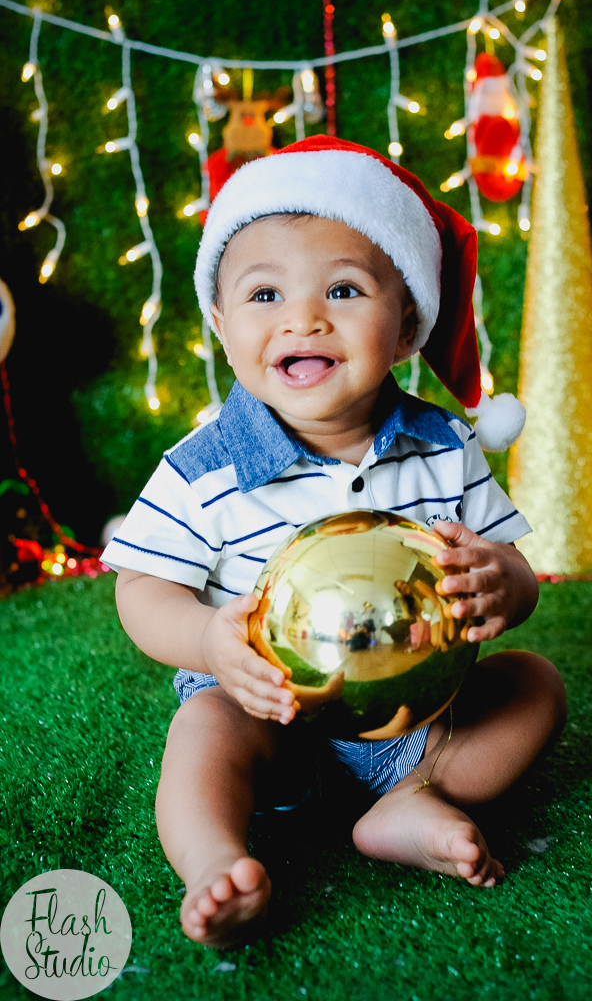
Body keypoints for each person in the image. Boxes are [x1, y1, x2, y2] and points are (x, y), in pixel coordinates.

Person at [102, 136, 566, 950]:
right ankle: (214, 860)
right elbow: (141, 589)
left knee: (533, 685)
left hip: (417, 715)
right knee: (202, 728)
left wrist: (501, 583)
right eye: (265, 294)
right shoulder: (203, 467)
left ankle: (413, 799)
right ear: (220, 325)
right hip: (265, 713)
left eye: (343, 290)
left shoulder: (443, 446)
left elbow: (514, 571)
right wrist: (209, 642)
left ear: (407, 324)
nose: (303, 318)